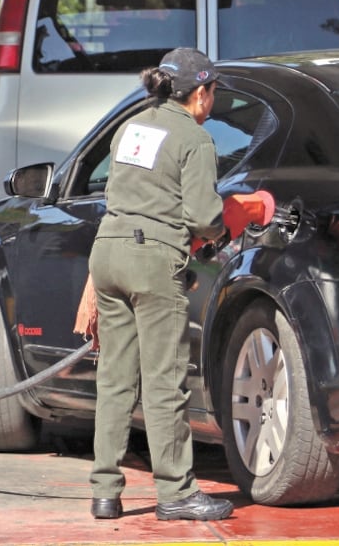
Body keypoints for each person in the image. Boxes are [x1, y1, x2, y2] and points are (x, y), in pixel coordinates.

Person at [86, 47, 234, 522]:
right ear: (201, 93)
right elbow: (204, 216)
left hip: (107, 253)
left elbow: (117, 189)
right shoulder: (195, 138)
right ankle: (176, 493)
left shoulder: (132, 126)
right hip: (151, 260)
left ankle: (105, 492)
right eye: (213, 92)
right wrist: (224, 228)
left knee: (114, 378)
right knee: (165, 381)